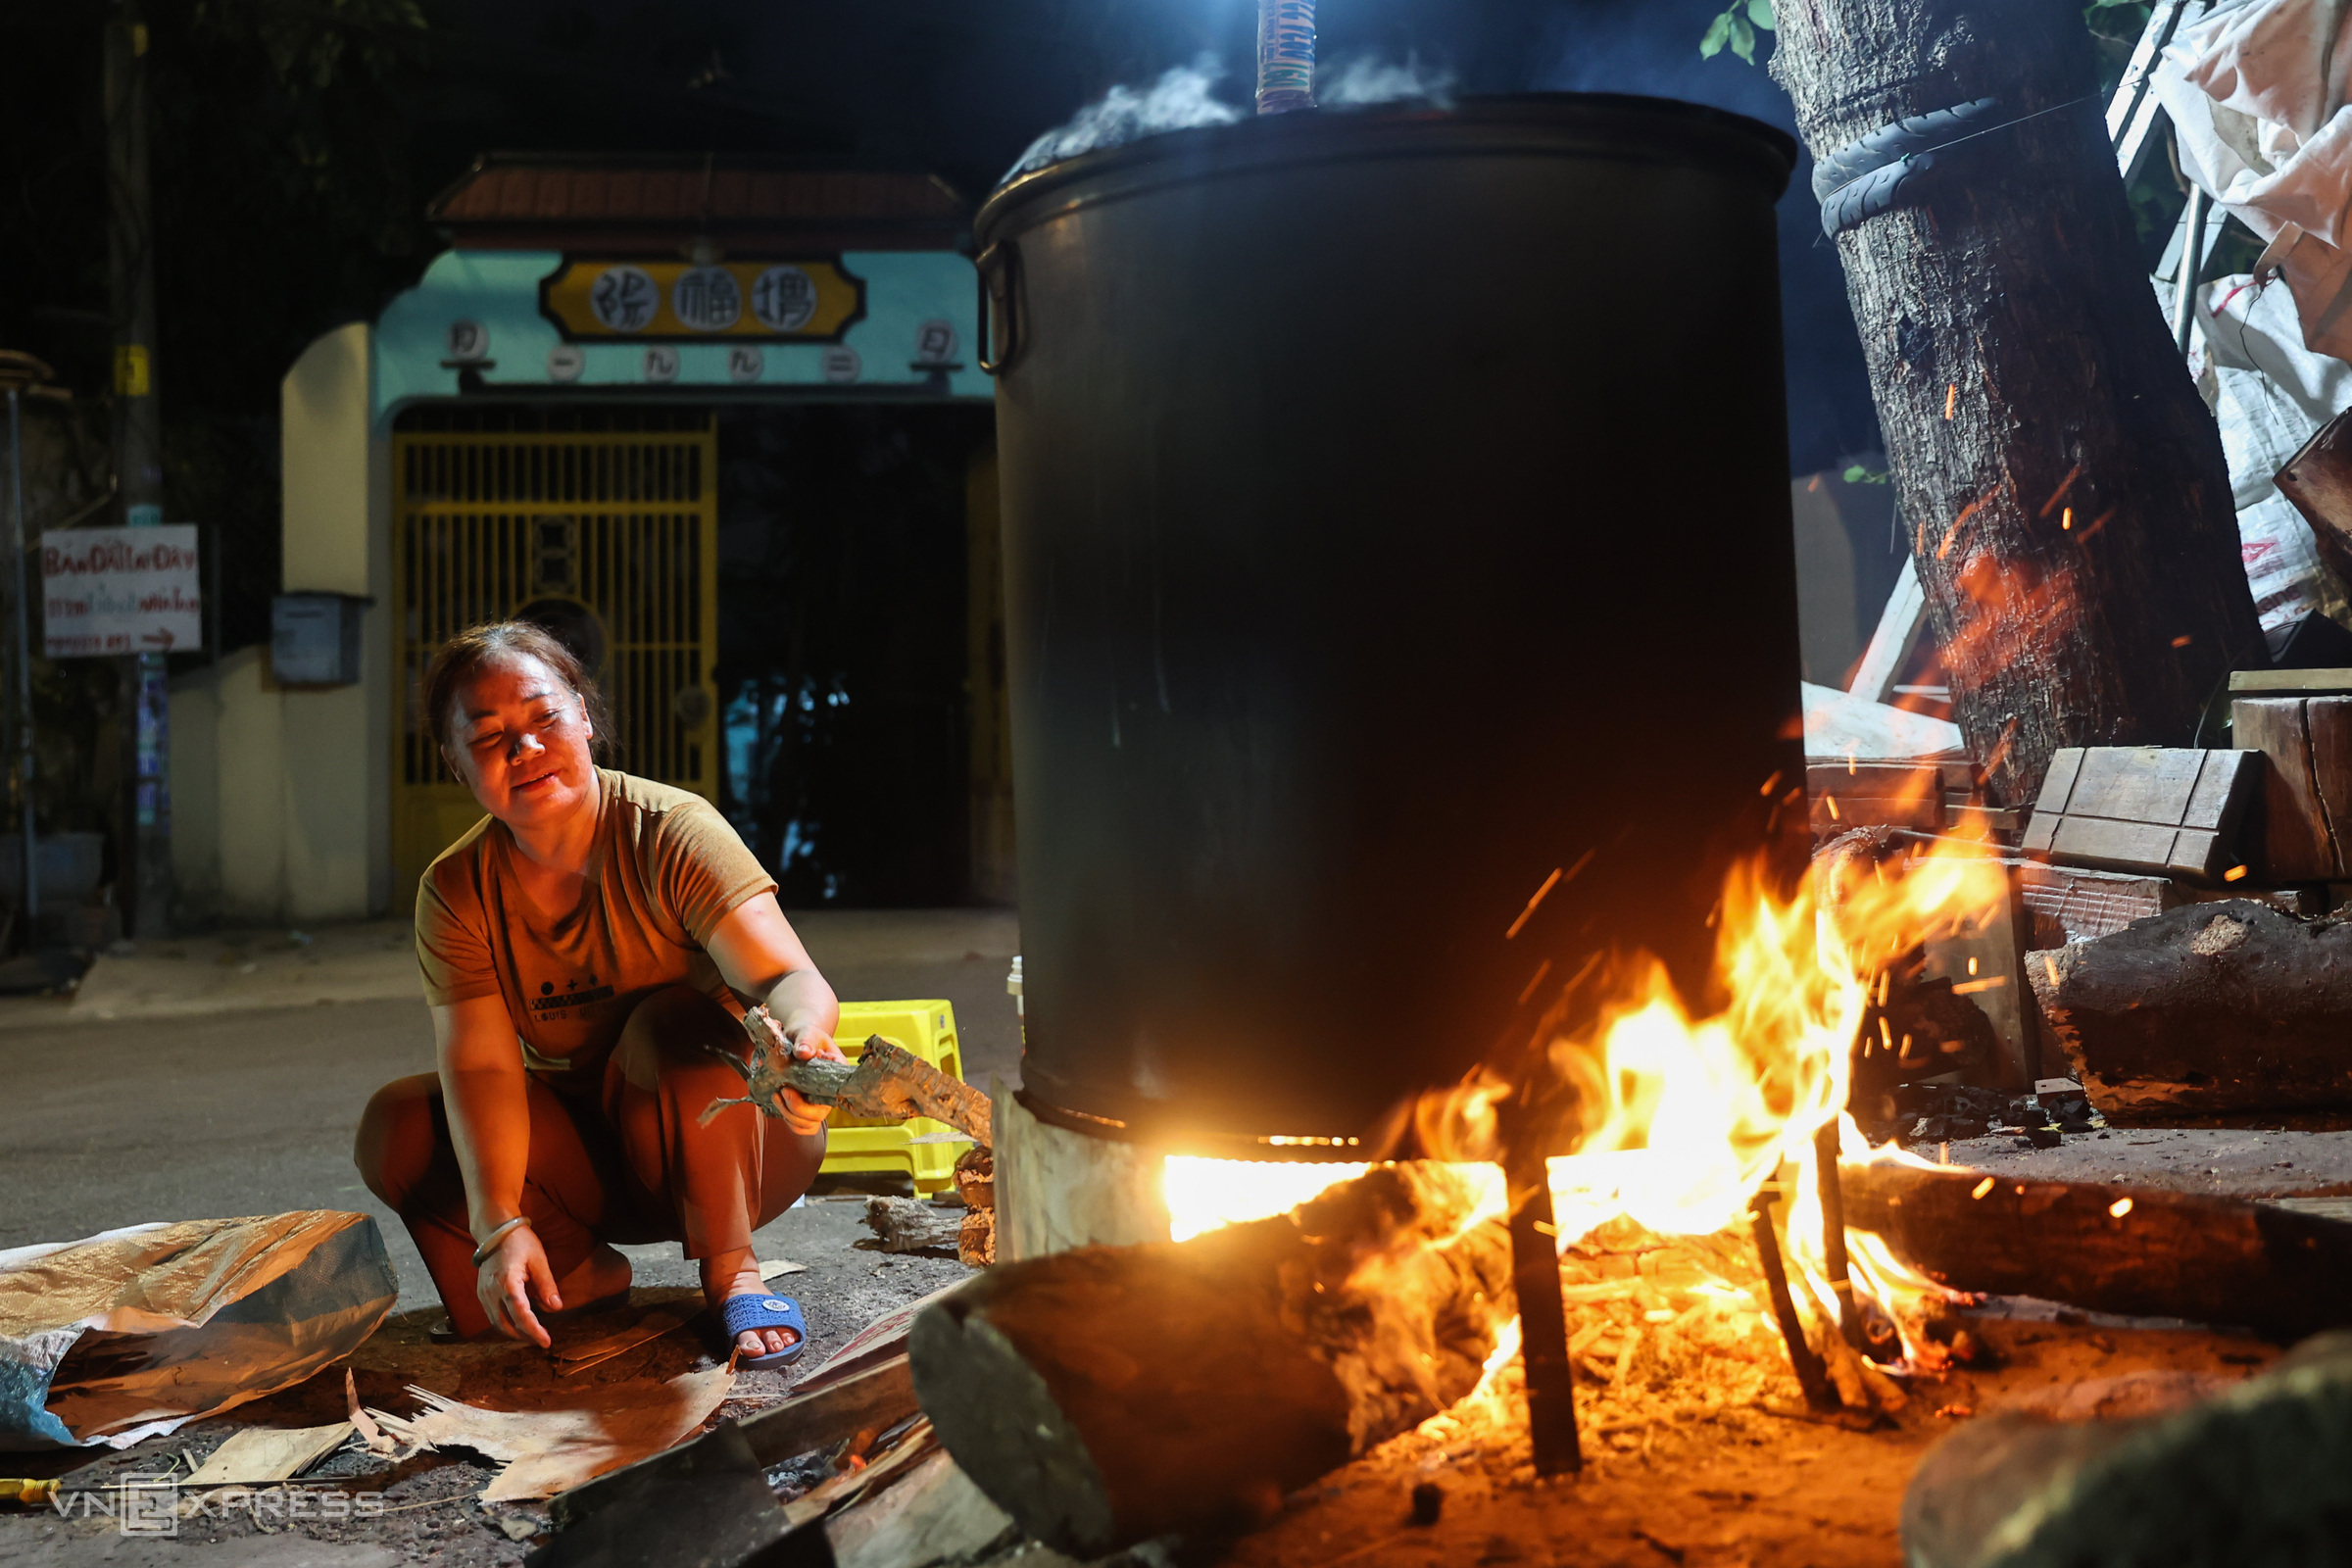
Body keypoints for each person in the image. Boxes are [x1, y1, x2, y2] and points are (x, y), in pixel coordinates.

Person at [354, 620, 841, 1367]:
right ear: (456, 766)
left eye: (544, 718)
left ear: (584, 716)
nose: (524, 748)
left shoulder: (671, 831)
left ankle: (732, 1268)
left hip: (742, 1142)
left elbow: (786, 978)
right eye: (488, 737)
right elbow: (483, 1068)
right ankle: (574, 1272)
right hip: (600, 1159)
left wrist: (804, 1046)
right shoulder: (456, 890)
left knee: (672, 1022)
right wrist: (497, 1224)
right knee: (401, 1128)